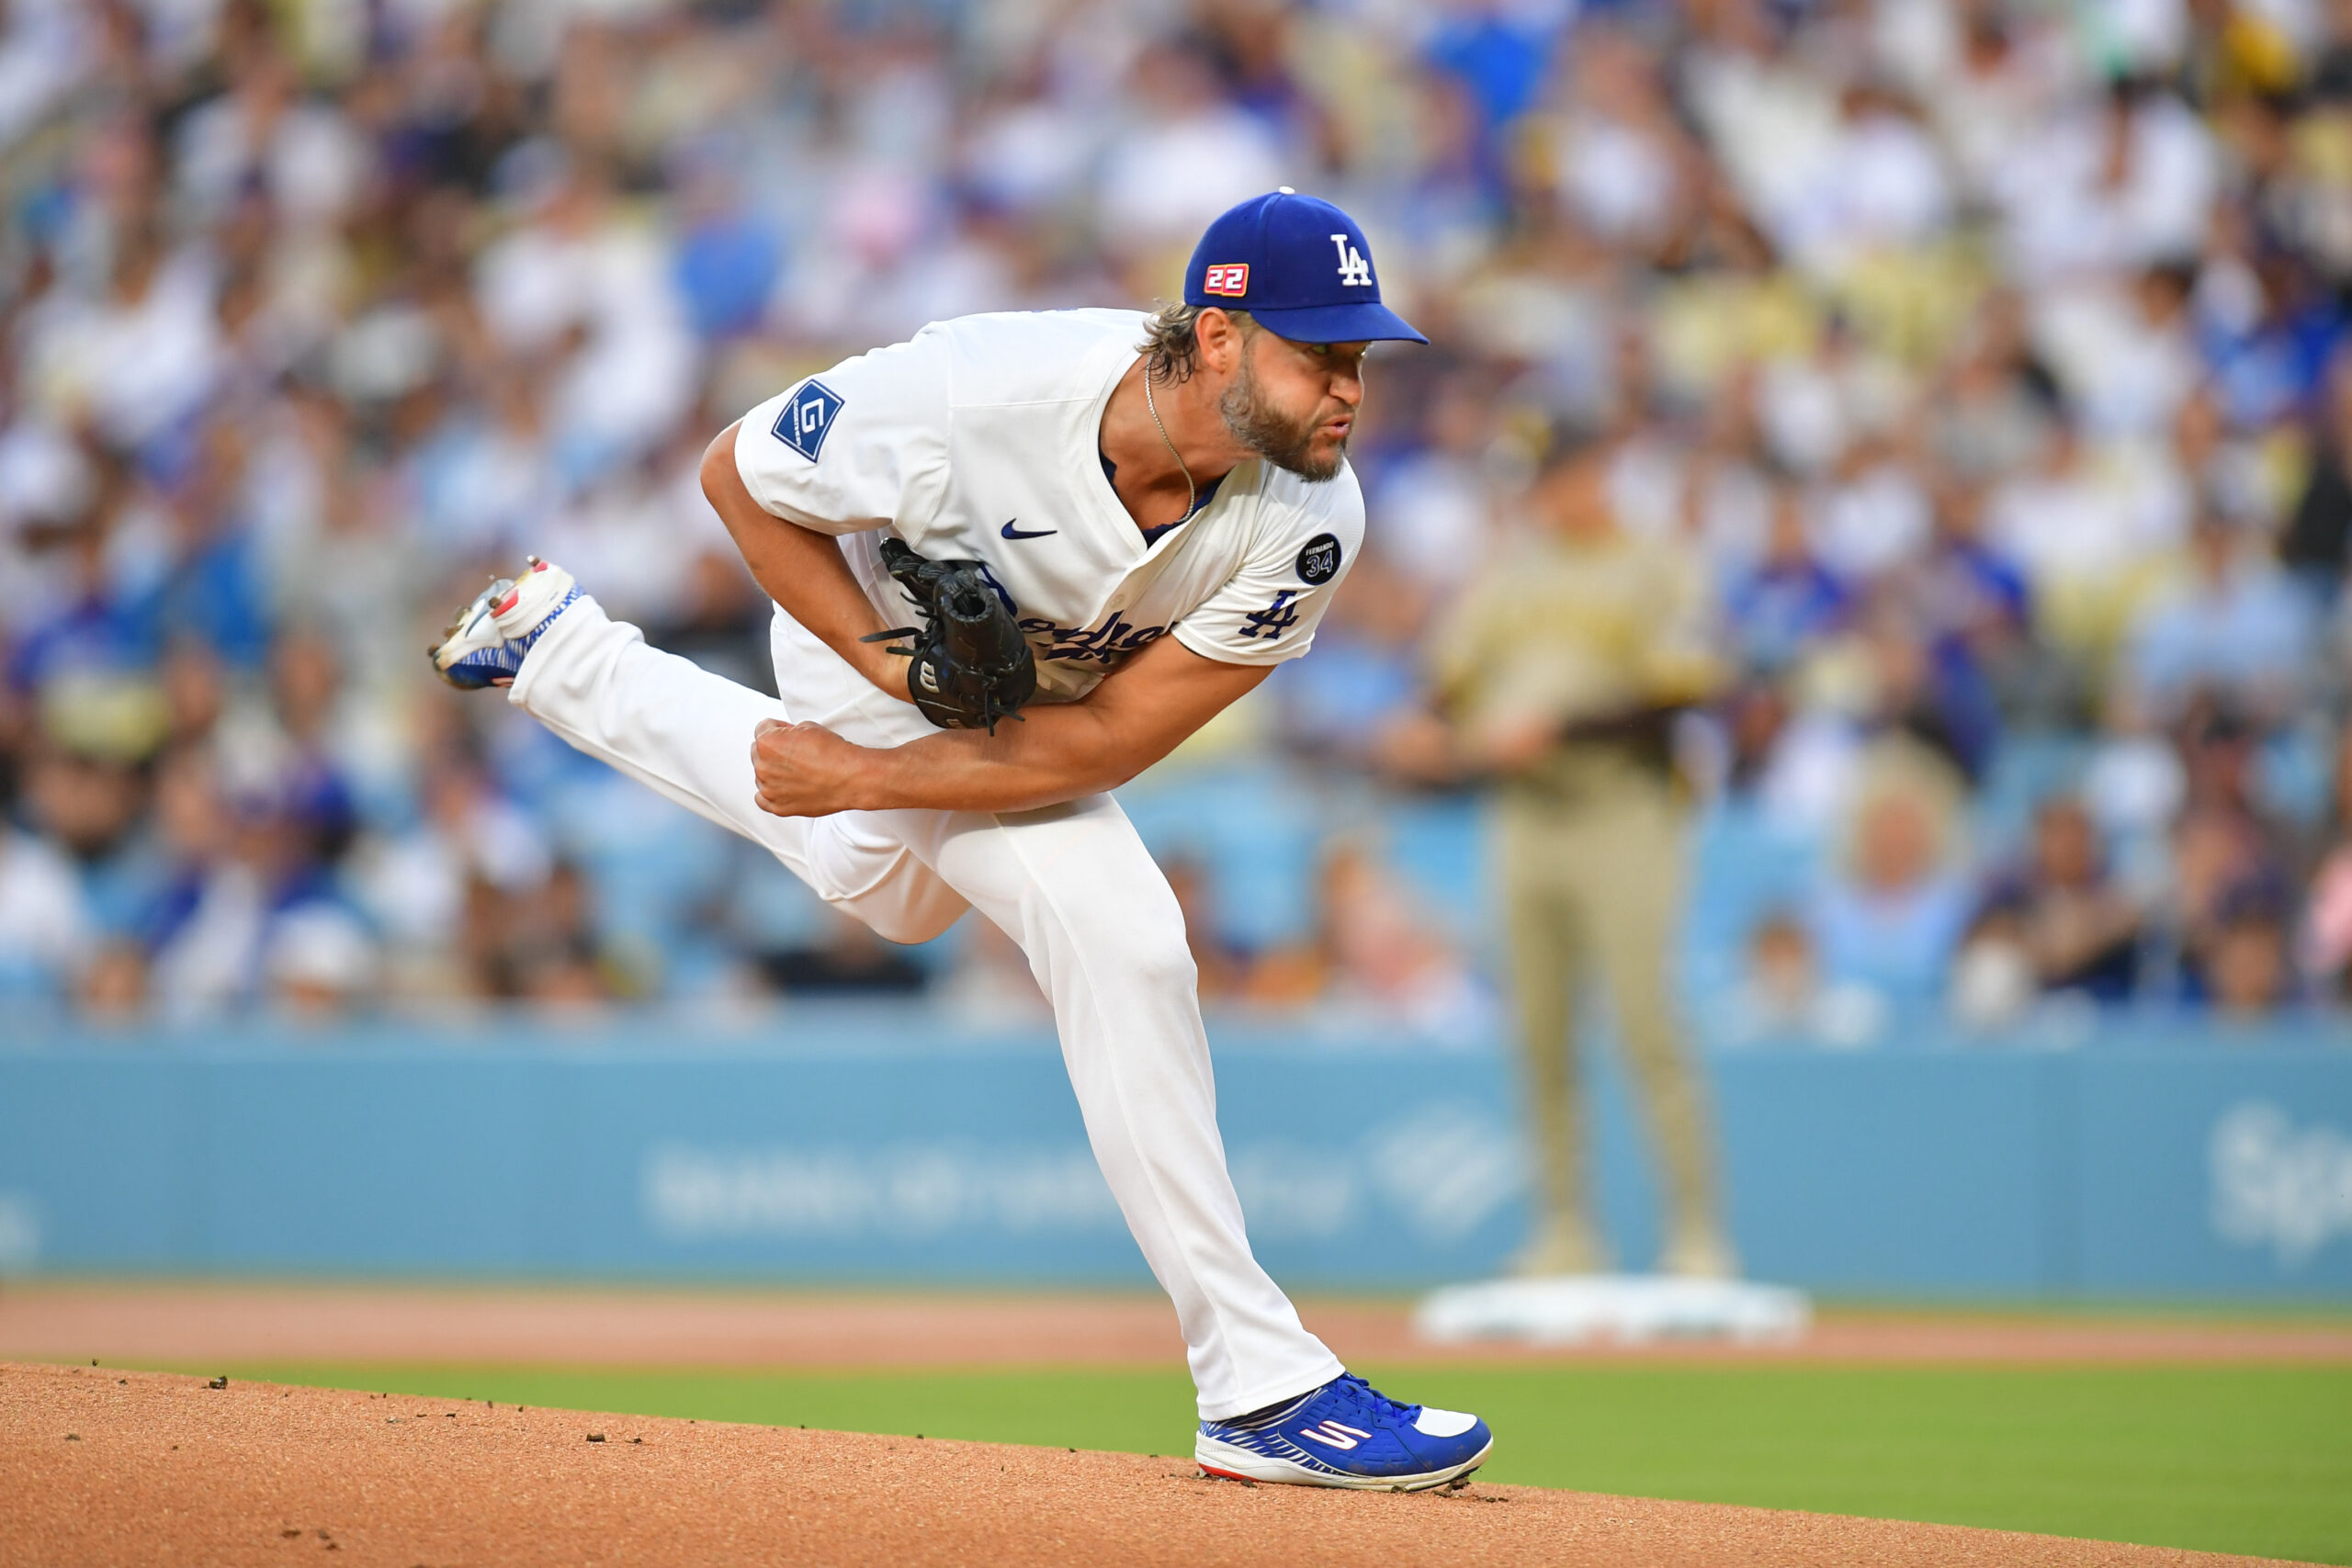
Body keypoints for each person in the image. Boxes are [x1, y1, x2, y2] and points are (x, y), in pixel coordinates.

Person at [427, 191, 1491, 1492]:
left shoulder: (1312, 517)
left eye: (1360, 359)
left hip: (1019, 714)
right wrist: (885, 682)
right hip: (864, 639)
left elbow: (1100, 745)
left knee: (883, 885)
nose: (1348, 389)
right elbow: (736, 473)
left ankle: (562, 652)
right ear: (1216, 338)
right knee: (1127, 935)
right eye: (1319, 354)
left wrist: (871, 774)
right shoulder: (981, 389)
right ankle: (1260, 1384)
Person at [1396, 430, 1735, 1279]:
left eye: (1558, 474)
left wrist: (1556, 728)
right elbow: (1448, 683)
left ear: (1598, 472)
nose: (1546, 493)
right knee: (1539, 1034)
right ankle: (1565, 1232)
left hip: (1623, 807)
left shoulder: (1656, 566)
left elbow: (1678, 703)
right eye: (1534, 478)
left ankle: (1696, 1234)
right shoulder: (1510, 573)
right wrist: (1426, 730)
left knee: (1645, 1026)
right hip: (1524, 816)